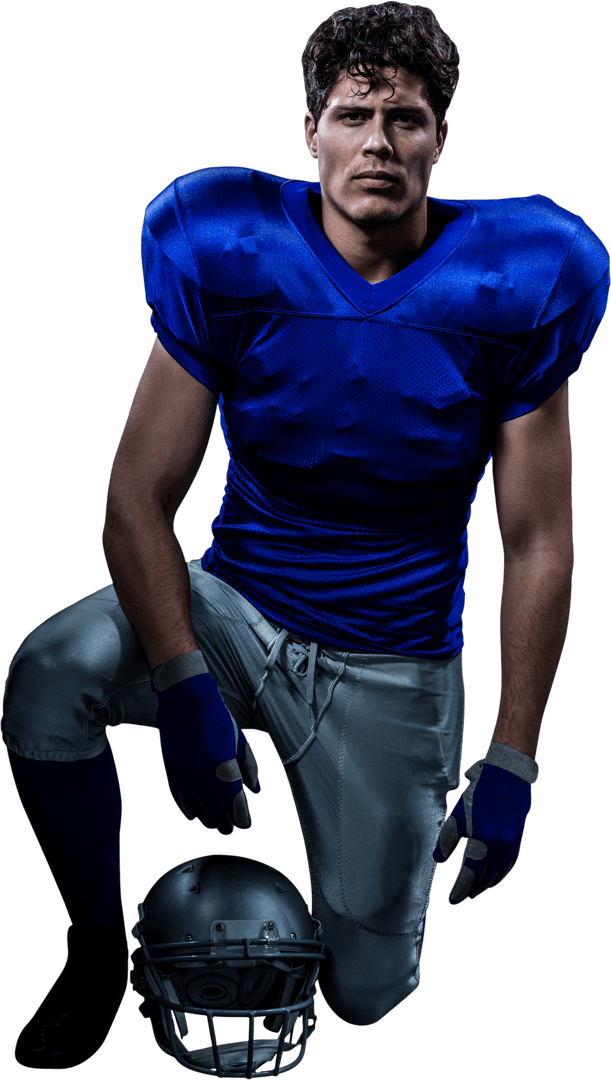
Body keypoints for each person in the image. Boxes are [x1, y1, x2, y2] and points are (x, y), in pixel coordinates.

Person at [2, 1, 608, 1071]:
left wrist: (512, 755)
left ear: (440, 139)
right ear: (310, 131)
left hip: (393, 656)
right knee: (49, 675)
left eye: (406, 119)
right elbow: (136, 497)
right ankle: (97, 945)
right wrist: (185, 681)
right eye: (353, 112)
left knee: (369, 995)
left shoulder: (516, 277)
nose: (378, 141)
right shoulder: (228, 246)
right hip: (238, 606)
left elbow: (539, 541)